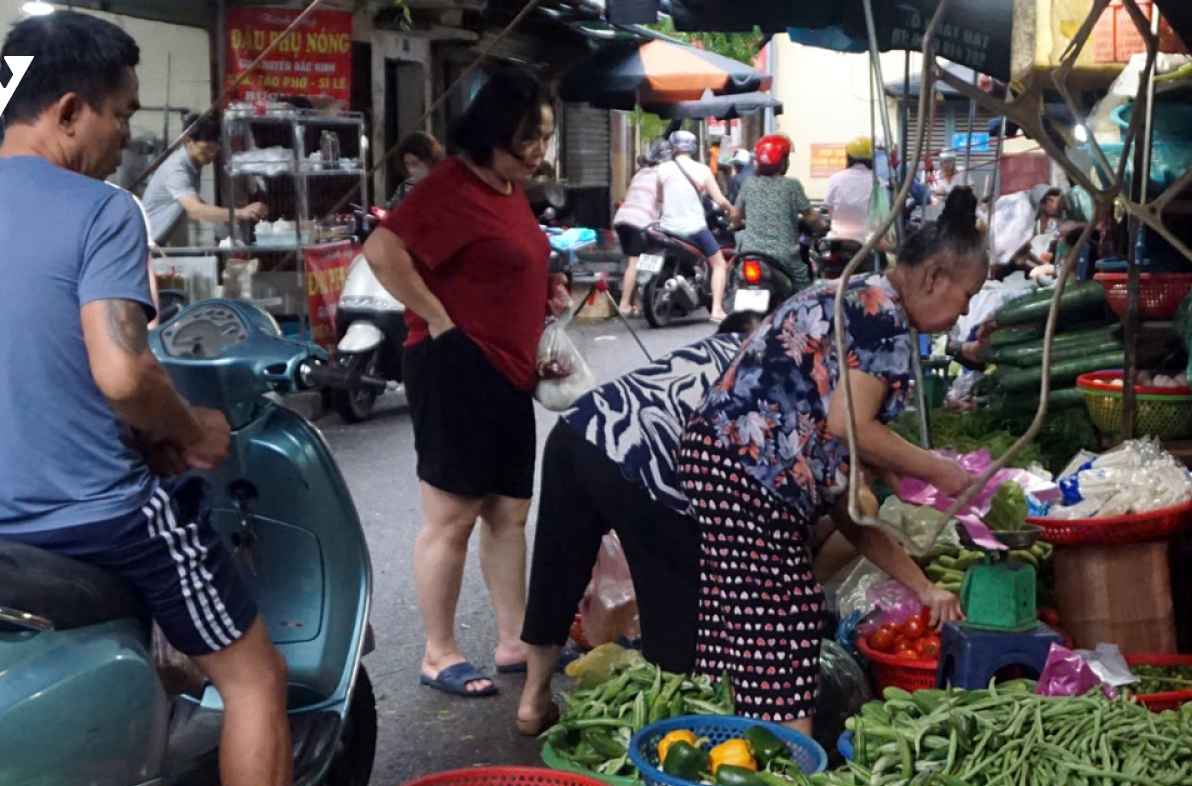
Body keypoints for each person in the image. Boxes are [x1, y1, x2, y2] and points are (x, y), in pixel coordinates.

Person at [0, 13, 294, 786]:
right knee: (255, 672)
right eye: (122, 114)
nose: (125, 138)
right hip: (97, 516)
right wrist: (190, 430)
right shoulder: (101, 210)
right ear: (70, 111)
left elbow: (4, 354)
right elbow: (121, 374)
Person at [680, 187, 991, 737]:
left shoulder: (859, 294)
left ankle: (732, 749)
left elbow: (852, 510)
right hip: (750, 470)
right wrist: (935, 469)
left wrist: (924, 588)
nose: (963, 312)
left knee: (744, 617)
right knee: (788, 616)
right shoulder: (882, 314)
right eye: (966, 296)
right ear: (934, 276)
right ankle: (787, 776)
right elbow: (851, 424)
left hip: (722, 459)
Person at [364, 70, 568, 699]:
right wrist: (439, 318)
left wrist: (545, 297)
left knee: (509, 512)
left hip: (510, 369)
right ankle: (438, 652)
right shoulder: (449, 185)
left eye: (544, 138)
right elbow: (381, 250)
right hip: (454, 364)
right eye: (529, 137)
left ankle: (513, 641)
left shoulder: (508, 188)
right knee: (452, 517)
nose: (539, 151)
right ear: (493, 130)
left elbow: (505, 264)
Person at [517, 312, 763, 734]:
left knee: (556, 570)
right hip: (639, 457)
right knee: (676, 586)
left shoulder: (700, 353)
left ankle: (532, 701)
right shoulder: (762, 364)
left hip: (578, 427)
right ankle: (670, 721)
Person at [141, 112, 267, 247]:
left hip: (155, 241)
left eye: (215, 149)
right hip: (143, 241)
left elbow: (197, 201)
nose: (211, 155)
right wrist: (241, 213)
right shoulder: (176, 168)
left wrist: (226, 218)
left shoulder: (193, 164)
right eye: (206, 149)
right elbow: (196, 209)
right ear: (188, 141)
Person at [657, 130, 736, 320]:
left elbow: (657, 198)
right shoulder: (703, 170)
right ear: (692, 147)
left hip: (667, 228)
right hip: (695, 228)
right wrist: (731, 209)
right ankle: (716, 309)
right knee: (718, 264)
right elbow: (719, 199)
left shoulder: (662, 169)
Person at [730, 134, 823, 290]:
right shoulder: (792, 186)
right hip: (785, 257)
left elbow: (735, 216)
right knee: (804, 286)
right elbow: (811, 217)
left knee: (737, 283)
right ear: (783, 162)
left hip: (751, 255)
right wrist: (822, 226)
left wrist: (738, 224)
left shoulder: (749, 184)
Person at [613, 140, 670, 317]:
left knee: (634, 259)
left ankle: (637, 303)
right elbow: (664, 201)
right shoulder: (663, 175)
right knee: (634, 262)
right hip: (640, 220)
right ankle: (624, 305)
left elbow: (629, 195)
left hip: (622, 219)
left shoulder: (640, 173)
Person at [825, 136, 887, 245]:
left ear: (848, 157)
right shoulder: (878, 183)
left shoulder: (835, 179)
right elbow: (883, 217)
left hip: (837, 241)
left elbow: (830, 210)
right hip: (868, 244)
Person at [388, 131, 444, 210]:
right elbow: (394, 213)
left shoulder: (446, 184)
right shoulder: (404, 187)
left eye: (415, 163)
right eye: (407, 164)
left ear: (430, 160)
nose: (411, 169)